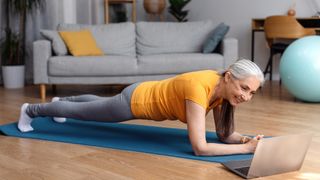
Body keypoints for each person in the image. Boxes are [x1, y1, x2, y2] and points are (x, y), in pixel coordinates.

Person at [18, 59, 265, 156]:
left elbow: (224, 135)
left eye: (252, 92)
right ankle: (31, 110)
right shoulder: (198, 88)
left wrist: (245, 140)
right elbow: (200, 148)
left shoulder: (221, 92)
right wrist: (247, 151)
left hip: (141, 90)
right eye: (244, 88)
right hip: (135, 102)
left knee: (96, 104)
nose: (247, 97)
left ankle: (60, 103)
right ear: (229, 76)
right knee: (85, 114)